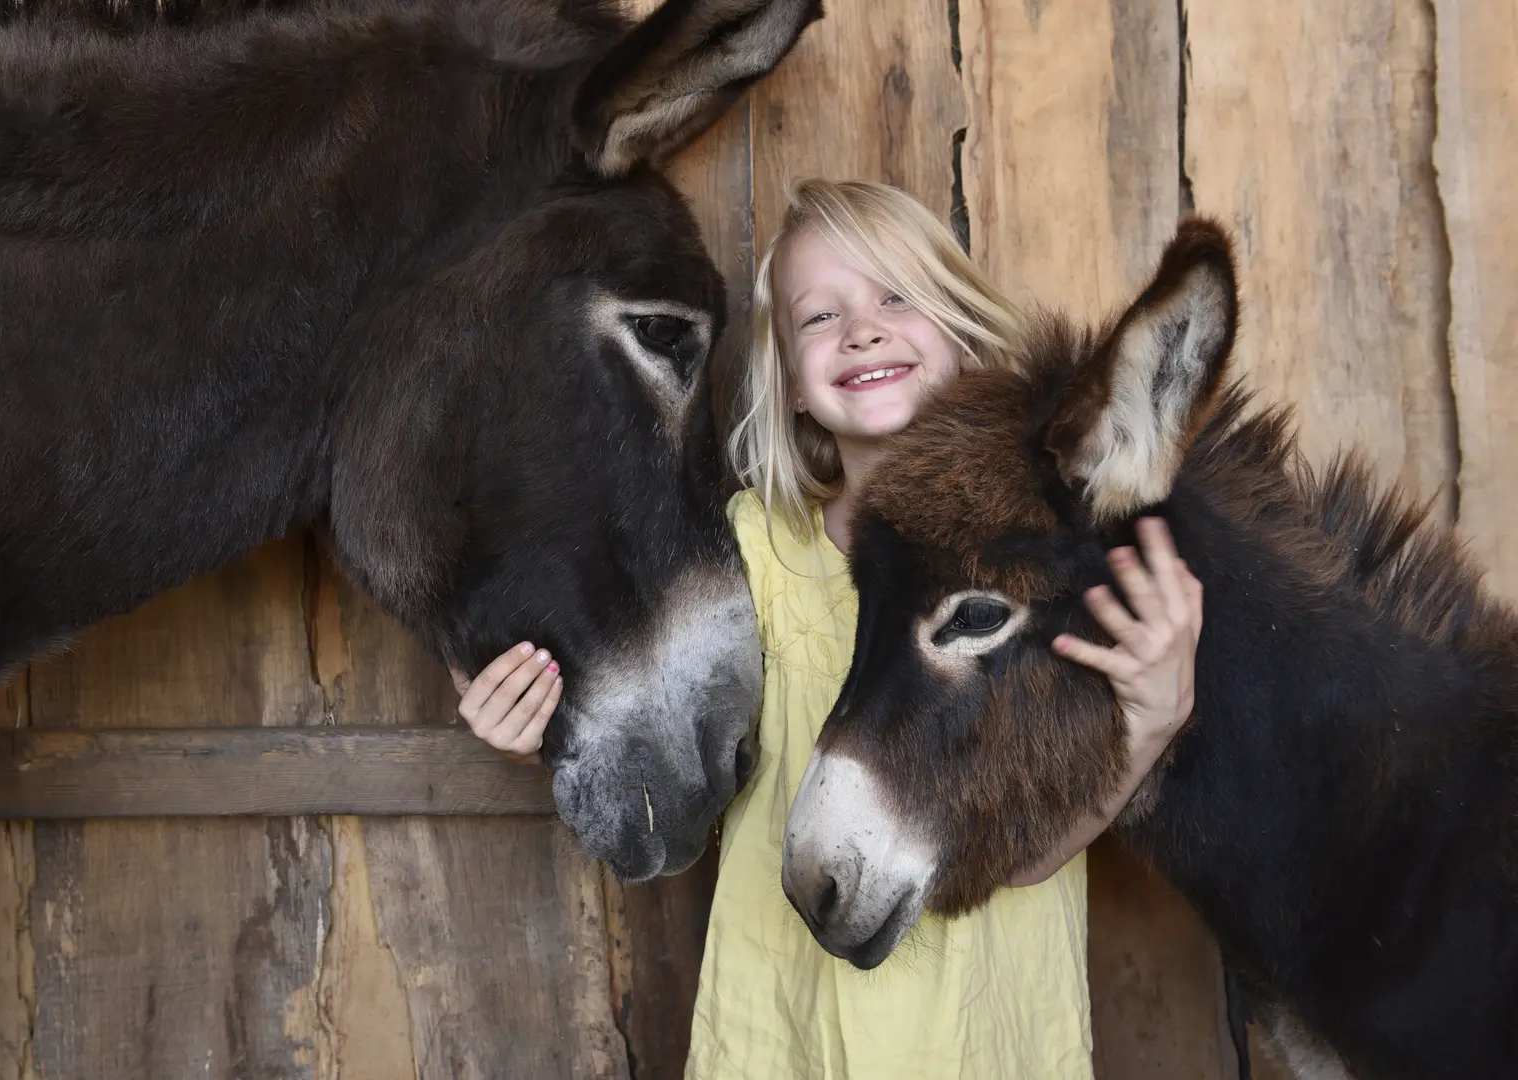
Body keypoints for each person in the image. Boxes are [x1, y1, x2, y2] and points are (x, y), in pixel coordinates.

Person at [450, 179, 1203, 1078]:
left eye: (897, 298)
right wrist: (523, 708)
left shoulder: (1039, 572)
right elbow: (615, 684)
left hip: (982, 1036)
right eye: (819, 317)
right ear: (793, 389)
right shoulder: (746, 556)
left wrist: (1154, 718)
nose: (863, 329)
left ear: (962, 338)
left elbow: (1029, 857)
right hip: (789, 1032)